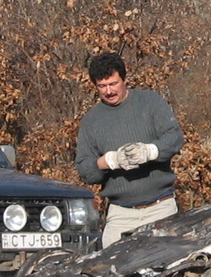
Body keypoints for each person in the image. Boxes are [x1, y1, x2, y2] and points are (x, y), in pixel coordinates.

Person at [75, 52, 184, 247]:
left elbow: (175, 138)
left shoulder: (150, 102)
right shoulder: (91, 120)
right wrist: (109, 161)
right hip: (120, 214)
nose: (109, 91)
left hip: (161, 208)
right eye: (102, 86)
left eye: (113, 83)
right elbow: (85, 170)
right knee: (111, 271)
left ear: (124, 79)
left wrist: (150, 152)